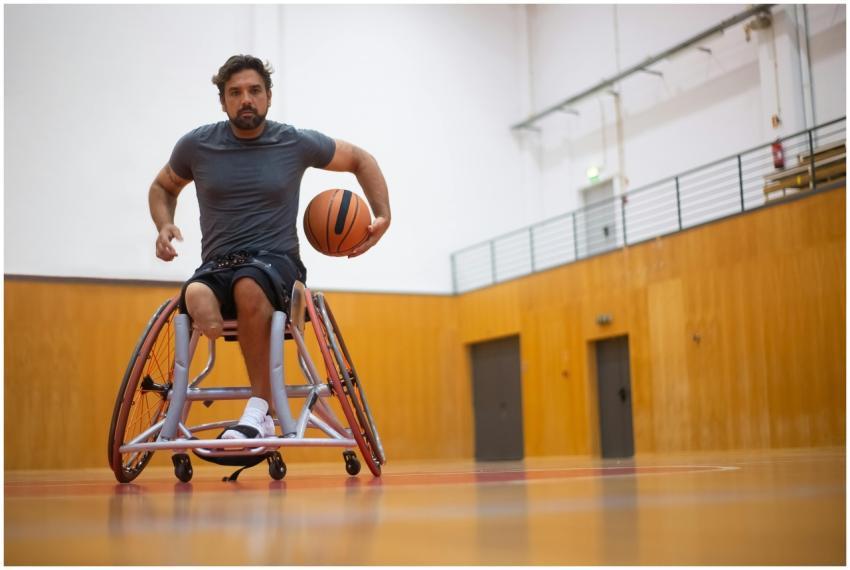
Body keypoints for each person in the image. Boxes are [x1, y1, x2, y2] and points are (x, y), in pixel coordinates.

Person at [148, 54, 390, 440]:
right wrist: (164, 225)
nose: (246, 99)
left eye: (254, 91)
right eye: (236, 92)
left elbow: (361, 159)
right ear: (223, 101)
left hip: (276, 265)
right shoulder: (196, 145)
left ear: (269, 97)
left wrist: (382, 216)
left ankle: (259, 410)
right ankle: (188, 377)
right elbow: (163, 187)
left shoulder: (293, 141)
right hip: (218, 264)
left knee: (248, 284)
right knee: (195, 291)